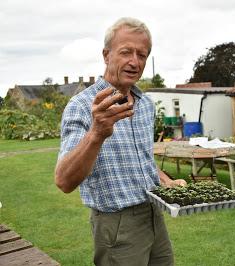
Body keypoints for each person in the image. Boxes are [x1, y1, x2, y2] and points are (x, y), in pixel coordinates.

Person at [54, 17, 186, 266]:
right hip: (116, 224)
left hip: (153, 214)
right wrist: (96, 133)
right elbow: (63, 181)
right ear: (106, 55)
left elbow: (141, 159)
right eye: (126, 52)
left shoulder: (145, 104)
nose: (135, 62)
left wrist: (165, 180)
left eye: (142, 55)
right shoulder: (82, 106)